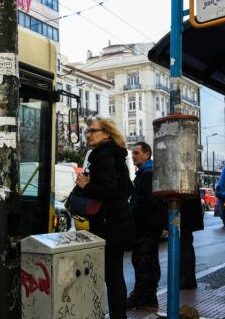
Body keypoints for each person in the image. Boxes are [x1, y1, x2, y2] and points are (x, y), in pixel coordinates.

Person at [76, 117, 135, 318]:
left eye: (93, 131)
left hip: (108, 225)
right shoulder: (117, 155)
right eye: (88, 131)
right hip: (117, 222)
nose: (89, 134)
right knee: (114, 275)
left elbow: (109, 190)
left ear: (106, 134)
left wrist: (87, 185)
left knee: (110, 276)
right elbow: (128, 188)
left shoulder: (103, 156)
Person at [127, 141, 163, 309]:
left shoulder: (148, 174)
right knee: (148, 261)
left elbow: (144, 203)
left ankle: (141, 297)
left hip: (145, 226)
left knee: (143, 262)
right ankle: (149, 297)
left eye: (136, 153)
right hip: (149, 226)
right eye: (133, 153)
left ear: (147, 154)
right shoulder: (147, 172)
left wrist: (131, 213)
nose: (133, 156)